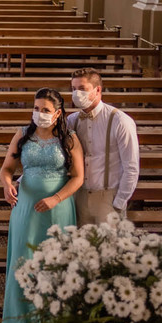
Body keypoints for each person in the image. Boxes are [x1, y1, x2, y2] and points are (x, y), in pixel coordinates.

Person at [0, 87, 84, 323]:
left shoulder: (69, 139)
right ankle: (20, 321)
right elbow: (6, 169)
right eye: (36, 109)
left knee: (52, 263)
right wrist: (6, 185)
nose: (39, 114)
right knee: (23, 259)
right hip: (25, 207)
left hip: (57, 209)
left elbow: (78, 177)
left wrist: (56, 199)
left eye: (45, 110)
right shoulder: (23, 135)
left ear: (57, 114)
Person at [65, 68, 140, 224]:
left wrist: (119, 202)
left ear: (97, 89)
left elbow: (131, 167)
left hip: (108, 197)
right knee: (79, 246)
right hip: (79, 196)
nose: (76, 94)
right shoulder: (71, 121)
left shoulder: (120, 121)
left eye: (82, 89)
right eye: (73, 89)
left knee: (109, 247)